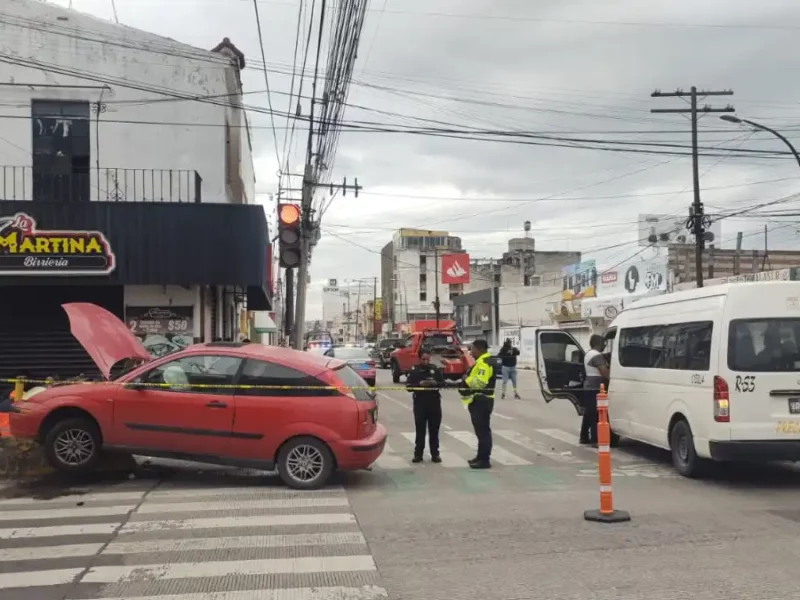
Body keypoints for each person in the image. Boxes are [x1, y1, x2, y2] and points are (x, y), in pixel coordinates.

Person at [458, 339, 497, 469]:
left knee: (483, 432)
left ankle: (484, 460)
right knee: (480, 432)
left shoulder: (484, 364)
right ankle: (480, 457)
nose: (471, 351)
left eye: (472, 349)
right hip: (478, 400)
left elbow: (480, 382)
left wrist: (467, 379)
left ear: (479, 349)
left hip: (482, 401)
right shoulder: (480, 362)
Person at [406, 348, 445, 463]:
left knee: (434, 430)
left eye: (428, 359)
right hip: (420, 404)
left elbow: (443, 384)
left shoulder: (435, 370)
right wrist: (419, 384)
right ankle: (418, 454)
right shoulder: (414, 371)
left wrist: (434, 383)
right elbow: (409, 387)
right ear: (419, 359)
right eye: (423, 359)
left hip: (434, 403)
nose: (426, 361)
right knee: (420, 430)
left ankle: (435, 454)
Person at [581, 334, 609, 446]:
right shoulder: (597, 356)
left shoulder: (588, 354)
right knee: (596, 415)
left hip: (588, 386)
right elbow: (604, 372)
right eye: (603, 343)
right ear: (599, 343)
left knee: (589, 413)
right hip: (596, 387)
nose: (604, 346)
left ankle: (584, 437)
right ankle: (595, 439)